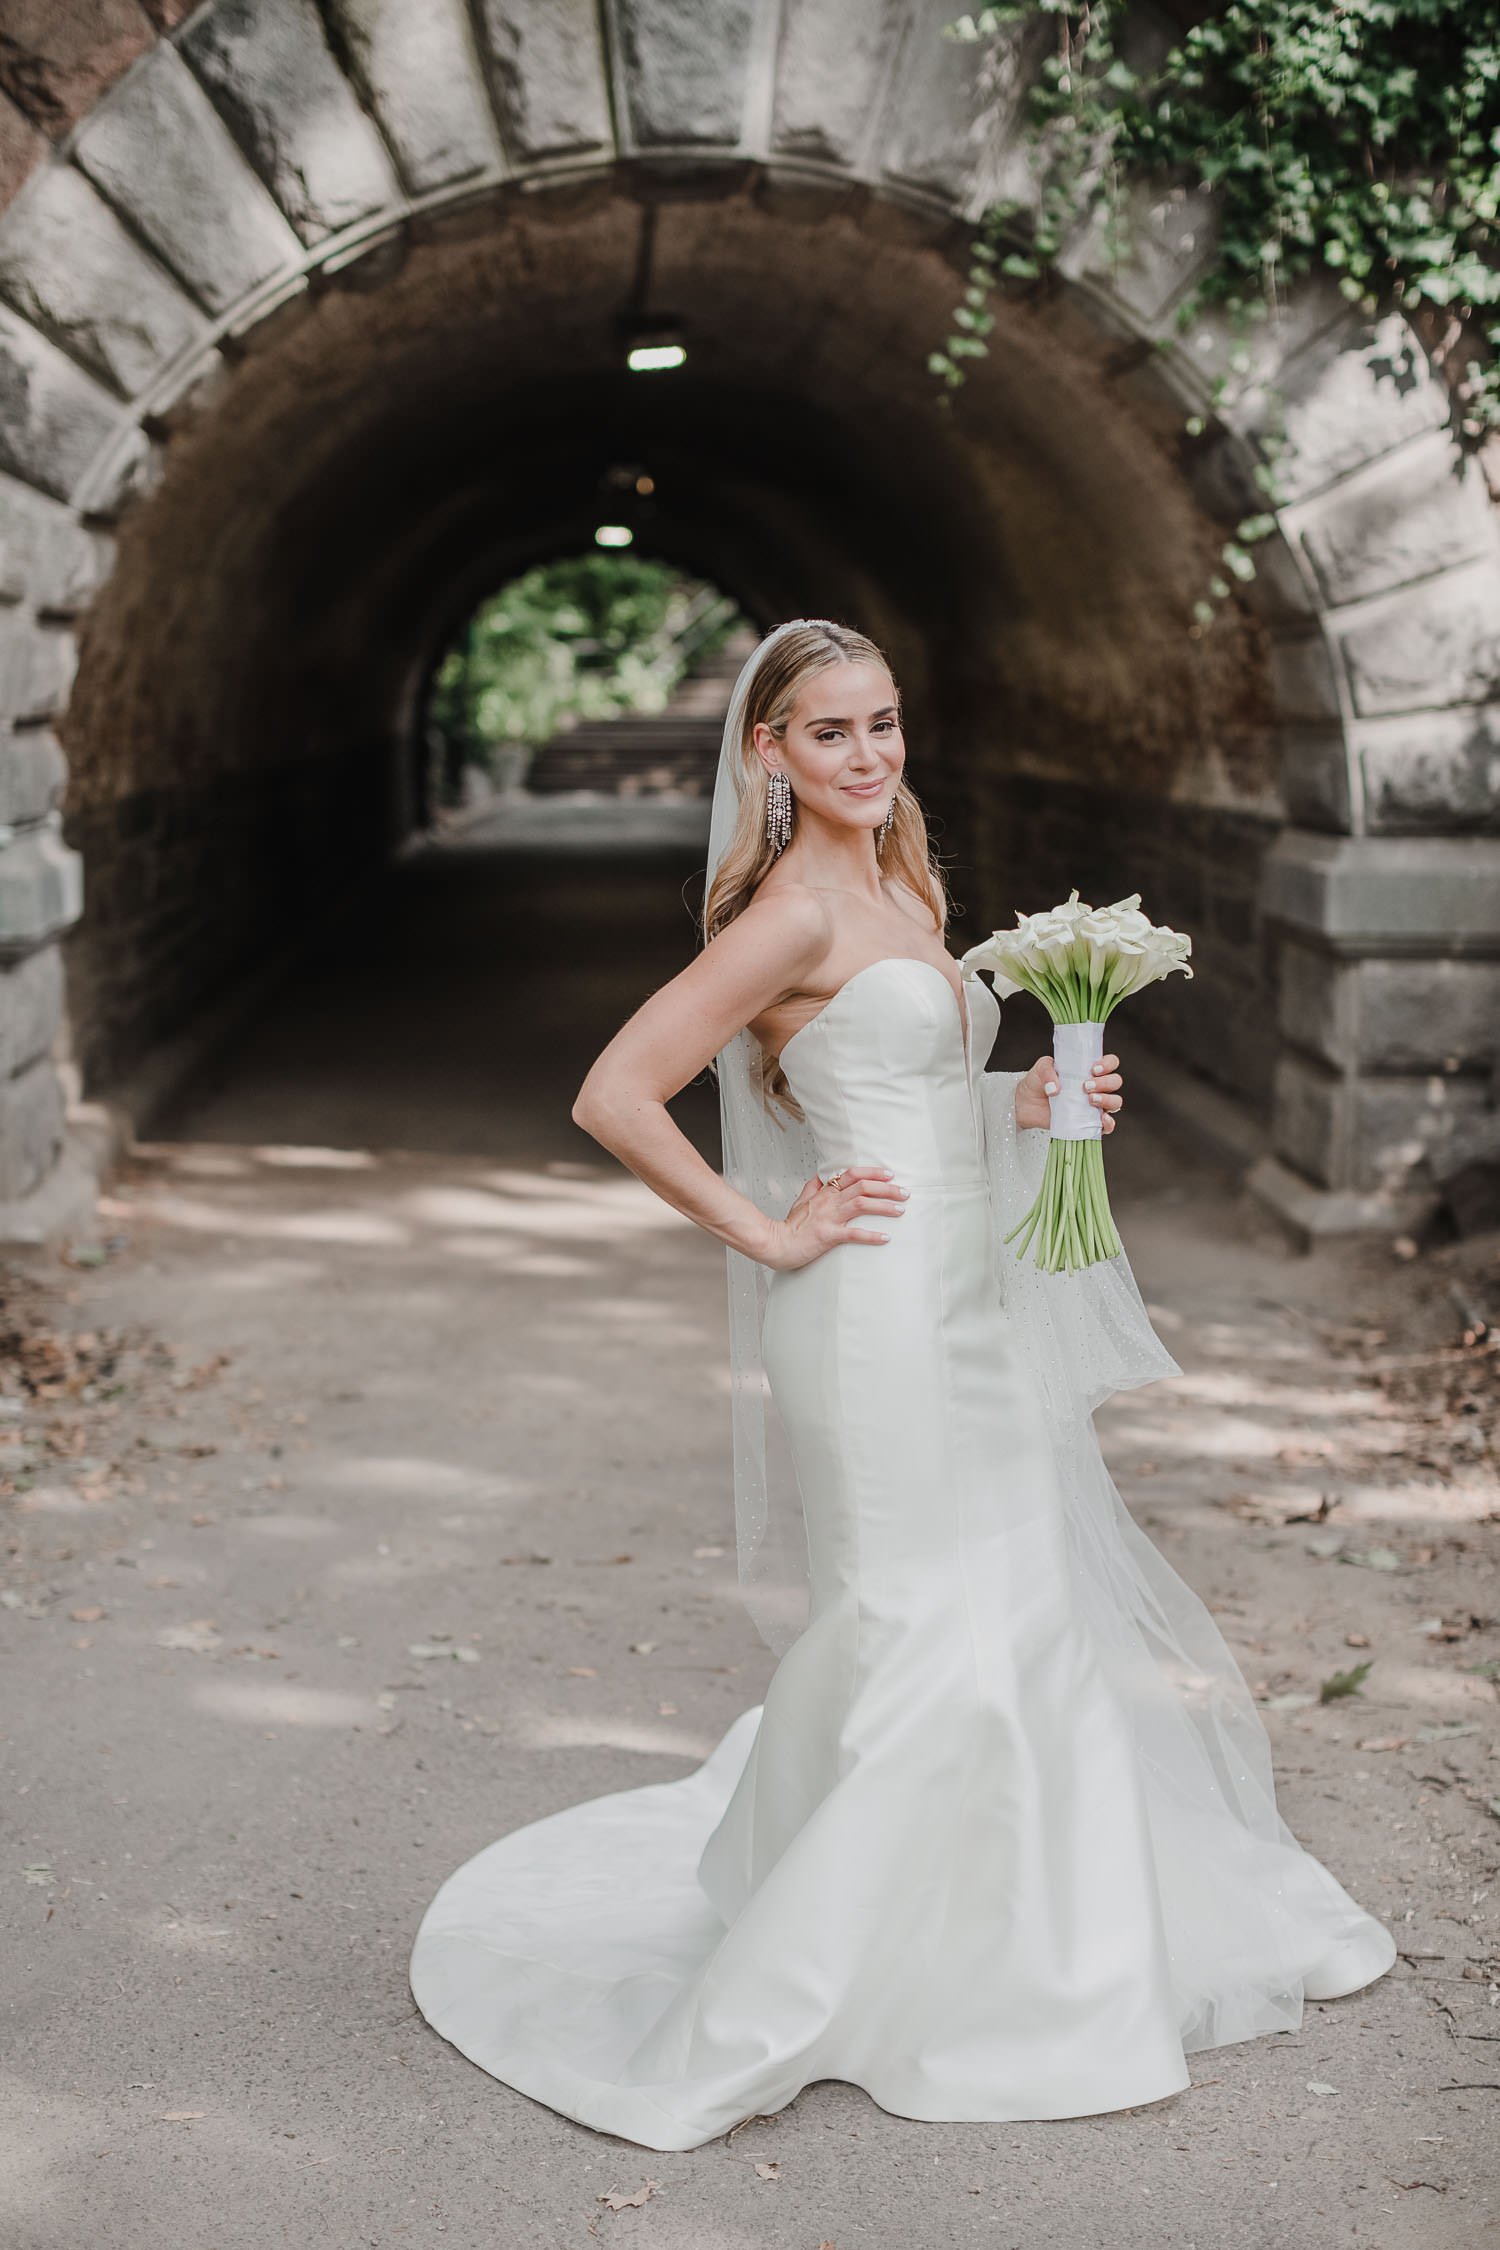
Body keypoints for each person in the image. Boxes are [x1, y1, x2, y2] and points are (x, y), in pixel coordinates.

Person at [407, 619, 1396, 2151]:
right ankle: (844, 1966)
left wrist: (1037, 1091)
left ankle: (1022, 1952)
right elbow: (616, 1090)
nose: (869, 756)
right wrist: (767, 1224)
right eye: (832, 733)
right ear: (771, 752)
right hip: (866, 1314)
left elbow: (923, 1093)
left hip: (976, 1297)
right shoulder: (789, 917)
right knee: (911, 1621)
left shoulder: (908, 885)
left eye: (884, 725)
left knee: (1015, 1609)